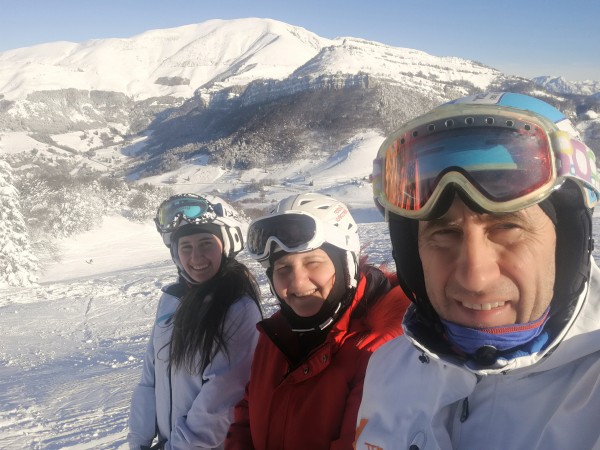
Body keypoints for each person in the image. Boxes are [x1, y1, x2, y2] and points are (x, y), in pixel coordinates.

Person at [354, 92, 600, 449]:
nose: (475, 278)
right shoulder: (388, 370)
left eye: (508, 228)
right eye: (444, 233)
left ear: (568, 241)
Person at [225, 193, 410, 450]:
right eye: (283, 269)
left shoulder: (380, 349)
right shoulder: (277, 334)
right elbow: (248, 409)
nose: (297, 283)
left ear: (346, 264)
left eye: (313, 262)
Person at [128, 193, 263, 450]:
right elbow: (150, 377)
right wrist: (139, 441)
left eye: (205, 244)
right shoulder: (171, 301)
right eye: (186, 247)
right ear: (176, 254)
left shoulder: (238, 308)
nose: (196, 257)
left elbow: (220, 402)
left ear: (226, 245)